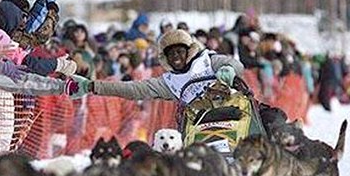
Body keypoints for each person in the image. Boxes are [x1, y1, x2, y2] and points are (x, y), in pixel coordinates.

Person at [71, 29, 244, 109]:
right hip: (199, 125)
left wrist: (228, 70)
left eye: (179, 51)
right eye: (171, 54)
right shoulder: (169, 82)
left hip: (232, 111)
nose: (176, 57)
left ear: (189, 51)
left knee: (269, 119)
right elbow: (133, 89)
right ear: (165, 58)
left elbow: (235, 65)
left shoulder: (207, 60)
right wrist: (92, 86)